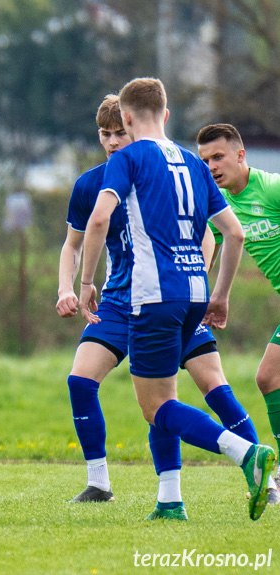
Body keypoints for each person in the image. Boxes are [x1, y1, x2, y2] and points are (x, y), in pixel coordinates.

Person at [57, 96, 276, 517]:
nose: (115, 141)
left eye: (120, 131)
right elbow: (75, 242)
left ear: (132, 122)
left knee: (186, 397)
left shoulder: (146, 165)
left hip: (155, 296)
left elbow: (211, 233)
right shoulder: (99, 181)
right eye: (107, 135)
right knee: (95, 384)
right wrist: (68, 286)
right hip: (132, 301)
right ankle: (137, 492)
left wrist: (87, 283)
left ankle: (256, 464)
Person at [198, 123, 280, 484]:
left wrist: (221, 297)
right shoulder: (222, 205)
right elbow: (209, 249)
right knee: (268, 377)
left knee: (268, 375)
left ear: (240, 155)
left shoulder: (273, 188)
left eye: (218, 156)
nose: (212, 166)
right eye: (205, 161)